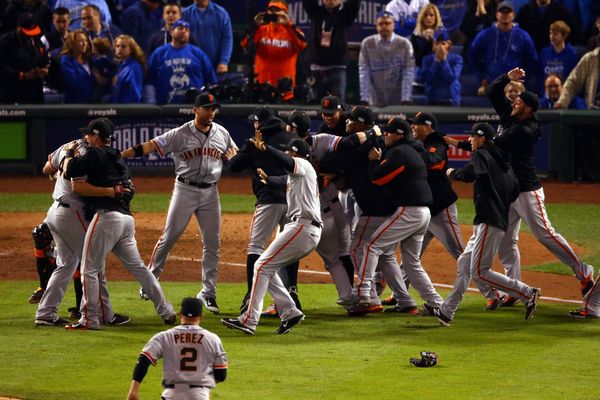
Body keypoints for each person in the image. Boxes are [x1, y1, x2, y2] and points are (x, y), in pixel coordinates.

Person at [121, 93, 238, 314]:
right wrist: (121, 155)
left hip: (211, 193)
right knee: (169, 237)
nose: (211, 112)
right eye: (207, 108)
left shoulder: (222, 133)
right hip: (185, 189)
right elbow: (151, 146)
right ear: (196, 110)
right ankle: (150, 281)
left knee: (213, 244)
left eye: (214, 108)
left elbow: (235, 155)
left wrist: (239, 158)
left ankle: (208, 293)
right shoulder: (180, 134)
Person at [488, 68, 595, 304]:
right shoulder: (512, 115)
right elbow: (492, 91)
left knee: (544, 234)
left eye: (519, 101)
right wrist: (507, 77)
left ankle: (582, 271)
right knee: (506, 241)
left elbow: (501, 142)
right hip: (509, 190)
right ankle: (514, 289)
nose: (514, 102)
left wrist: (483, 140)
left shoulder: (528, 128)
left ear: (529, 109)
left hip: (527, 191)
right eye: (514, 99)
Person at [63, 118, 177, 330]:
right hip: (126, 220)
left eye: (89, 134)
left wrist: (70, 153)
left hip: (106, 218)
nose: (86, 138)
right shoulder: (117, 156)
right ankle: (166, 310)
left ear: (96, 136)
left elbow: (69, 171)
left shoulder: (95, 153)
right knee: (140, 269)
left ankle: (89, 319)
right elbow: (128, 189)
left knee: (89, 269)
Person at [428, 122, 541, 326]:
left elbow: (471, 173)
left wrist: (453, 173)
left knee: (481, 271)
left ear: (481, 138)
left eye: (472, 137)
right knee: (464, 263)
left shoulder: (481, 155)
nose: (470, 140)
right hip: (494, 220)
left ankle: (527, 292)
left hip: (489, 220)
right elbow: (514, 191)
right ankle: (447, 311)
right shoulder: (504, 162)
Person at [222, 135, 321, 335]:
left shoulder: (302, 164)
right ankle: (290, 312)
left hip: (303, 228)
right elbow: (284, 181)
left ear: (294, 153)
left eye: (288, 151)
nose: (285, 153)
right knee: (267, 267)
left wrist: (266, 148)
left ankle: (249, 320)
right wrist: (269, 179)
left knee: (260, 265)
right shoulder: (299, 175)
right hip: (304, 229)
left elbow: (286, 162)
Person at [228, 110, 302, 314]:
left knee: (256, 247)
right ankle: (292, 291)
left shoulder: (255, 141)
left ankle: (251, 296)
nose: (254, 125)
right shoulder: (291, 138)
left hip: (269, 200)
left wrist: (240, 155)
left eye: (255, 122)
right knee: (287, 246)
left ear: (260, 123)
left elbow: (234, 166)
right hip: (293, 201)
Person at [34, 138, 91, 326]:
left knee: (66, 264)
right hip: (71, 212)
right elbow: (79, 187)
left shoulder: (68, 145)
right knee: (90, 260)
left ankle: (46, 313)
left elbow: (46, 169)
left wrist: (58, 173)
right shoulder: (89, 154)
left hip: (54, 211)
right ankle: (93, 313)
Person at [127, 297, 227, 400]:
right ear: (201, 316)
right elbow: (221, 374)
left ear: (179, 314)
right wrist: (204, 384)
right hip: (199, 395)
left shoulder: (164, 336)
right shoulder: (213, 339)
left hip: (171, 394)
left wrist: (133, 390)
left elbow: (143, 360)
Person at [468, 1, 537, 96]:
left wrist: (523, 78)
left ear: (513, 15)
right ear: (497, 14)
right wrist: (482, 77)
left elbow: (532, 60)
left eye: (508, 12)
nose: (505, 15)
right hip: (491, 84)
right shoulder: (486, 34)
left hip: (515, 86)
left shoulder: (523, 36)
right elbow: (472, 55)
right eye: (502, 12)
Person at [244, 0, 307, 102]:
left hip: (285, 89)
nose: (273, 13)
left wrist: (288, 24)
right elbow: (245, 44)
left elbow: (302, 44)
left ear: (285, 13)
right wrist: (254, 25)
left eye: (277, 10)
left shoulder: (291, 31)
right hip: (262, 88)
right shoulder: (261, 30)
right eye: (270, 10)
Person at [145, 19, 216, 104]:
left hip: (194, 108)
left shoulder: (198, 53)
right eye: (180, 28)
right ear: (171, 32)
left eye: (187, 30)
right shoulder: (159, 53)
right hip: (165, 108)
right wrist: (151, 102)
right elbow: (149, 80)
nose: (184, 31)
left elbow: (211, 79)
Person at [302, 0, 361, 102]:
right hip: (316, 69)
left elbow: (355, 3)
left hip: (337, 68)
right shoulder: (315, 12)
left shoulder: (345, 15)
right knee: (314, 106)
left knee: (338, 107)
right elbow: (308, 2)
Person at [358, 10, 415, 106]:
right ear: (376, 25)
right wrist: (364, 98)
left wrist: (406, 98)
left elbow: (408, 72)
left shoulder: (405, 44)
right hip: (375, 98)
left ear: (393, 25)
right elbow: (364, 72)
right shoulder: (367, 43)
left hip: (398, 99)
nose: (384, 26)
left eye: (387, 23)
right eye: (381, 23)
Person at [0, 12, 49, 104]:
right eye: (27, 32)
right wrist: (23, 76)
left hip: (34, 94)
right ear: (19, 27)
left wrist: (43, 69)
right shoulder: (4, 42)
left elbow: (43, 59)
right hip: (11, 96)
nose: (30, 35)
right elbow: (2, 67)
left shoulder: (36, 40)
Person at [181, 0, 233, 73]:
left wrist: (223, 62)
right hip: (191, 65)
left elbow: (227, 39)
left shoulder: (221, 13)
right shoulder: (185, 14)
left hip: (216, 67)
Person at [416, 27, 462, 106]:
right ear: (434, 45)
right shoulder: (427, 59)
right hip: (432, 99)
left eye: (443, 44)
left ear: (449, 45)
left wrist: (444, 60)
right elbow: (427, 78)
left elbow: (450, 78)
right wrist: (436, 61)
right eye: (437, 44)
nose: (440, 47)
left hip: (451, 99)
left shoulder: (457, 59)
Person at [59, 29, 96, 103]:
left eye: (85, 41)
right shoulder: (66, 61)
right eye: (80, 41)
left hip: (91, 103)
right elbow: (75, 83)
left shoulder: (90, 60)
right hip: (74, 104)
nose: (84, 43)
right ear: (72, 44)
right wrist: (94, 78)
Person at [111, 34, 144, 103]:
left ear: (131, 49)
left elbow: (135, 94)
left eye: (123, 46)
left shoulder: (133, 67)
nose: (119, 49)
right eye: (117, 46)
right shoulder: (120, 66)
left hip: (127, 109)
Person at [410, 3, 444, 68]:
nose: (428, 18)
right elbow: (417, 60)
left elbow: (442, 58)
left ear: (436, 17)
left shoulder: (442, 34)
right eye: (425, 15)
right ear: (421, 18)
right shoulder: (415, 36)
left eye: (431, 15)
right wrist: (427, 40)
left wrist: (433, 40)